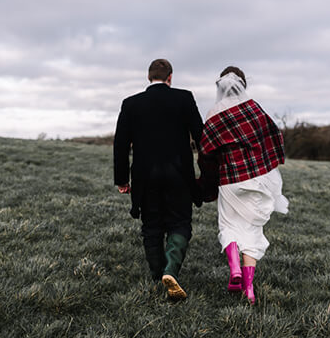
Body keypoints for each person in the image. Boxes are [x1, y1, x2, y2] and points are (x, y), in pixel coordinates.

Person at [114, 59, 204, 300]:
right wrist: (205, 173)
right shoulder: (184, 98)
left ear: (148, 77)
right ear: (170, 77)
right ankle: (170, 270)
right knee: (180, 222)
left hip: (145, 175)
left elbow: (121, 144)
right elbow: (201, 137)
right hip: (179, 174)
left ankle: (157, 277)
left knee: (151, 225)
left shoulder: (131, 104)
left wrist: (122, 179)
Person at [199, 66, 289, 305]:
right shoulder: (254, 108)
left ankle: (235, 269)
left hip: (230, 180)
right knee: (252, 232)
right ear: (243, 84)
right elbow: (274, 135)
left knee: (228, 224)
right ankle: (249, 290)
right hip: (256, 179)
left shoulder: (213, 113)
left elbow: (206, 148)